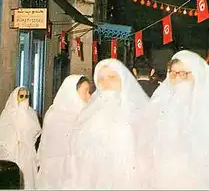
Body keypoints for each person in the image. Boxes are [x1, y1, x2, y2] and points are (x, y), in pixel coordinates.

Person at [144, 50, 209, 190]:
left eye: (184, 73)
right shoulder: (160, 102)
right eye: (173, 73)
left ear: (197, 74)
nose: (179, 78)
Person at [63, 58, 149, 190]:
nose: (106, 82)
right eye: (101, 78)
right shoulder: (87, 112)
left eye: (112, 77)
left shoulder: (138, 110)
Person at [36, 75, 91, 189]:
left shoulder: (85, 116)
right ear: (72, 93)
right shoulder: (53, 114)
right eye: (85, 91)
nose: (89, 96)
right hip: (54, 175)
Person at [0, 86, 41, 189]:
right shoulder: (8, 112)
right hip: (12, 152)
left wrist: (27, 138)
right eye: (21, 96)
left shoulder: (31, 113)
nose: (24, 98)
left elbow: (37, 130)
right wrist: (14, 139)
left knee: (28, 181)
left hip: (27, 153)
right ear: (16, 97)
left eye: (26, 96)